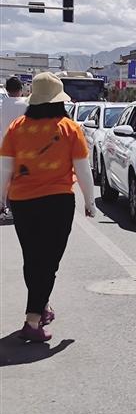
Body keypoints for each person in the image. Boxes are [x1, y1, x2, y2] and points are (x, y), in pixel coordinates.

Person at [0, 72, 96, 342]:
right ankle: (32, 321)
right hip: (57, 202)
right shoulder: (69, 128)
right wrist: (90, 202)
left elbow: (5, 167)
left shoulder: (17, 127)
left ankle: (41, 306)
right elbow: (83, 170)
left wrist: (1, 198)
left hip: (22, 202)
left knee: (33, 258)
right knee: (49, 261)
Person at [1, 77, 29, 219]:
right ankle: (15, 209)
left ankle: (2, 207)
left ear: (6, 90)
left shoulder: (2, 105)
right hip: (22, 149)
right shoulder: (26, 105)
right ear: (21, 89)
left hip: (3, 147)